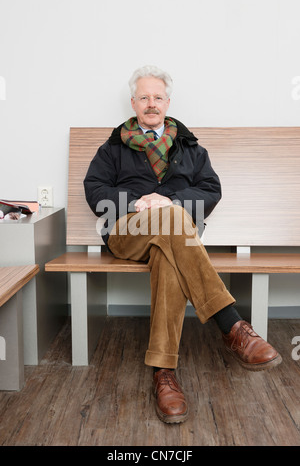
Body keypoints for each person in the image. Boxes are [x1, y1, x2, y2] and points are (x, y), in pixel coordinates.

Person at [84, 66, 282, 424]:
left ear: (168, 102)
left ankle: (163, 374)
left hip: (176, 239)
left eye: (157, 97)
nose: (151, 103)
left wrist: (169, 200)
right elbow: (95, 191)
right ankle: (232, 325)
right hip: (127, 230)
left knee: (169, 246)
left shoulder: (190, 147)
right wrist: (139, 201)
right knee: (174, 219)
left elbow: (210, 190)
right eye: (144, 97)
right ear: (133, 102)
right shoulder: (112, 147)